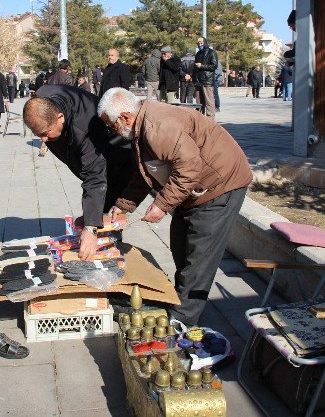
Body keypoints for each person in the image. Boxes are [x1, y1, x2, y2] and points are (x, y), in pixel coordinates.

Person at [98, 88, 252, 326]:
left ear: (125, 117)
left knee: (199, 258)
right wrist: (123, 206)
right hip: (193, 189)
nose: (112, 131)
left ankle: (182, 321)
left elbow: (189, 169)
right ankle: (182, 301)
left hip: (221, 184)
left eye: (112, 126)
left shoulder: (159, 127)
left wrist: (161, 205)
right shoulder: (141, 128)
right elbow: (144, 173)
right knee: (181, 247)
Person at [23, 85, 135, 259]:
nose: (43, 140)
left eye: (45, 133)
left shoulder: (85, 127)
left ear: (60, 117)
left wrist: (91, 226)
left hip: (117, 154)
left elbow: (95, 177)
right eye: (38, 134)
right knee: (96, 208)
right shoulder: (43, 102)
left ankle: (108, 247)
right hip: (88, 153)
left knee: (108, 204)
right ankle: (97, 234)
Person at [193, 37, 218, 121]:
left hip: (207, 80)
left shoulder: (212, 53)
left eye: (201, 43)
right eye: (198, 43)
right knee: (199, 102)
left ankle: (210, 120)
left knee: (209, 101)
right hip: (198, 81)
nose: (200, 44)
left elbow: (214, 65)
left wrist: (202, 65)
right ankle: (200, 119)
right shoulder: (198, 53)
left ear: (205, 43)